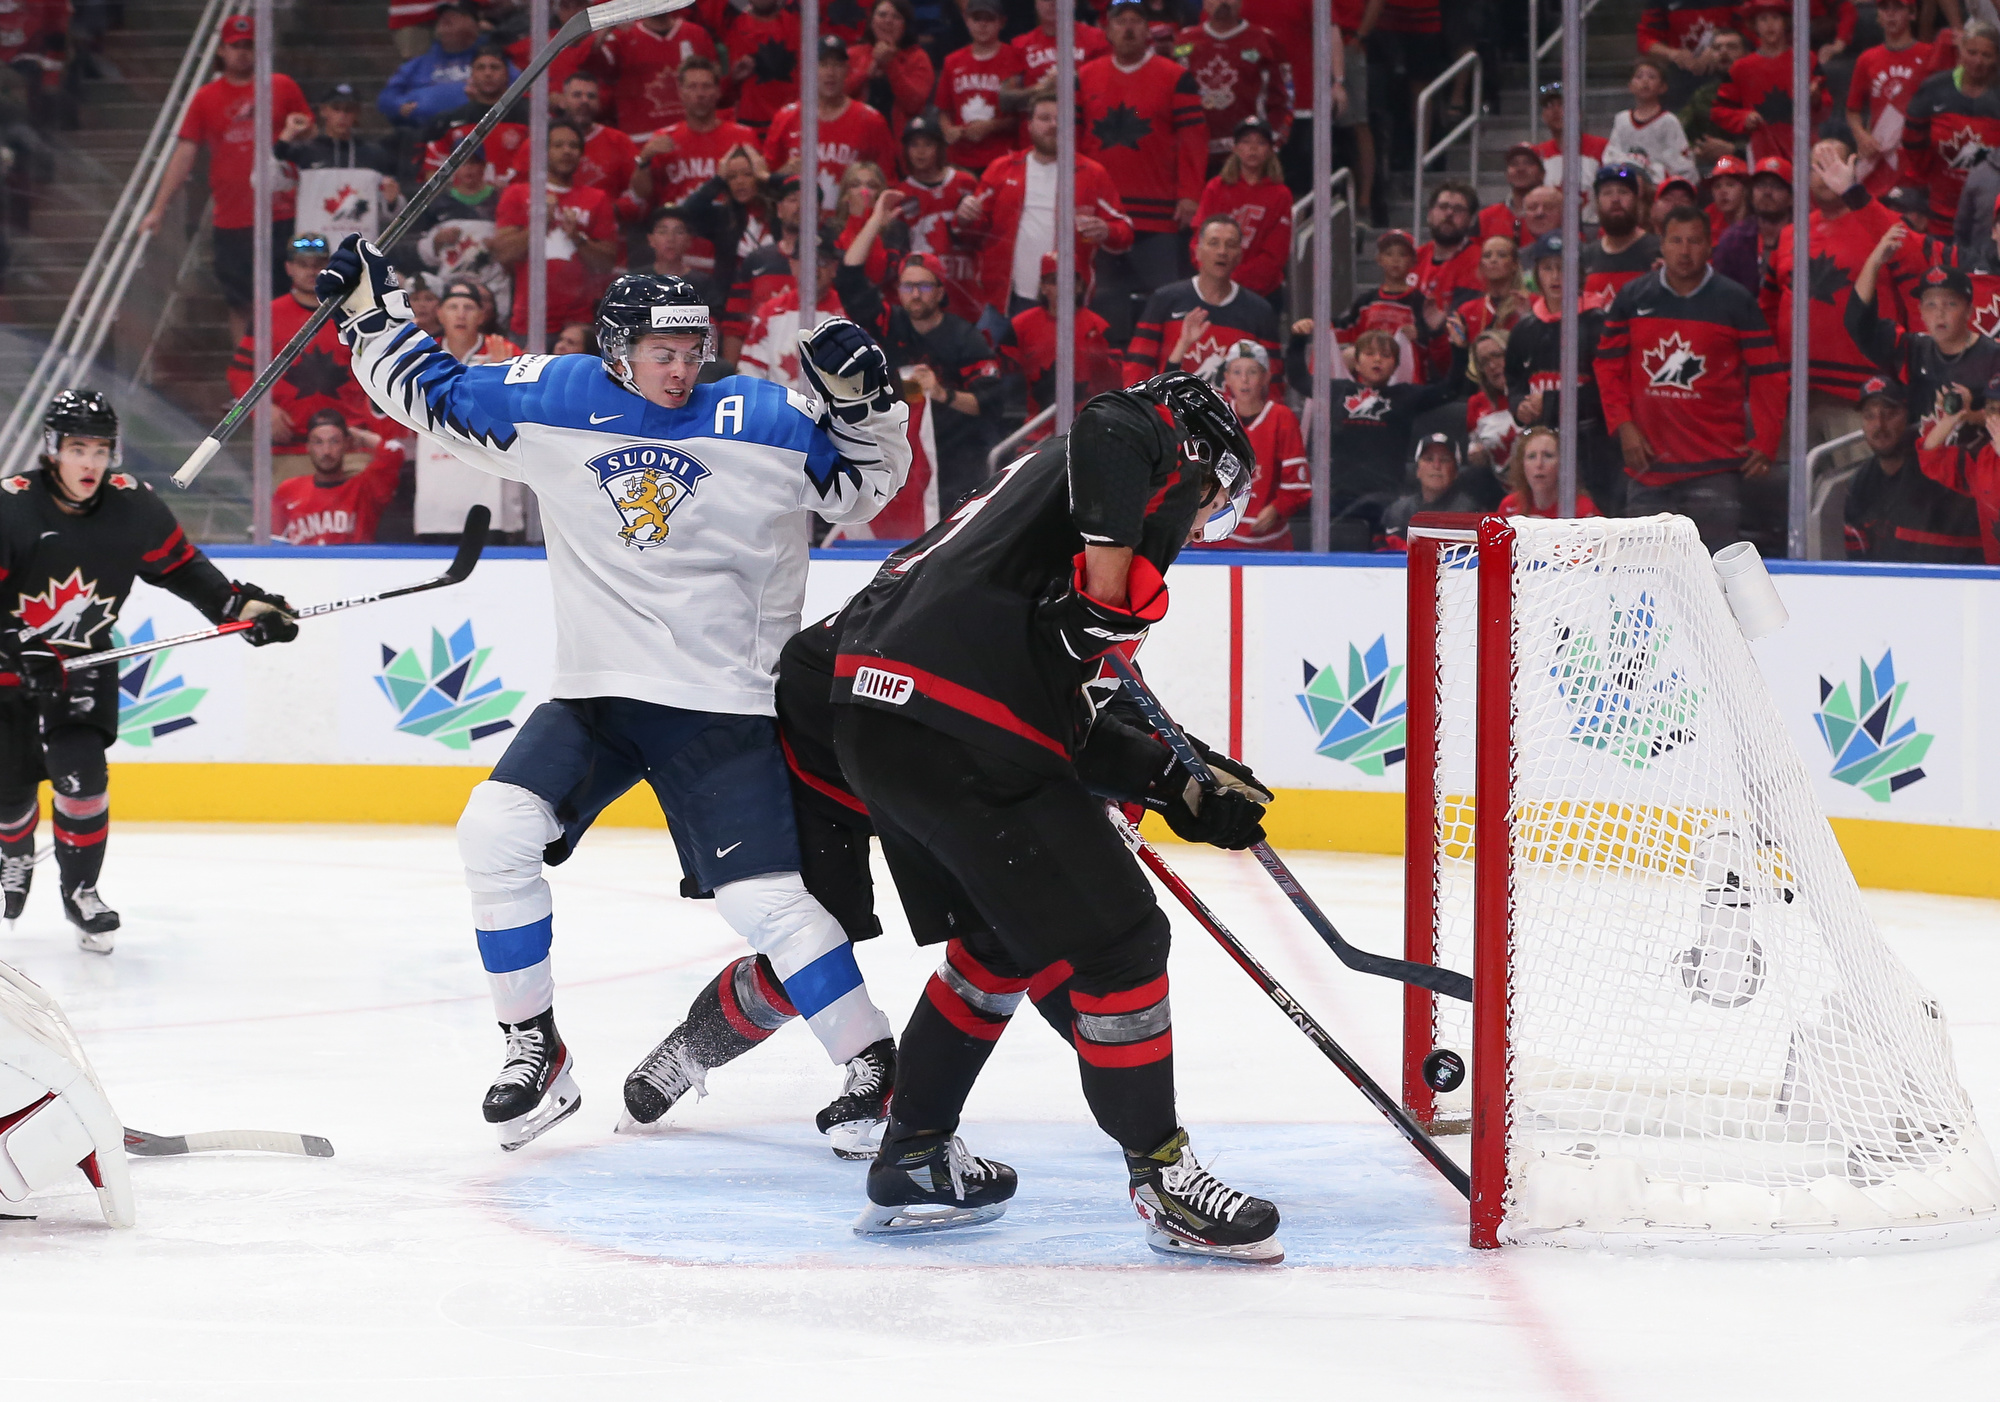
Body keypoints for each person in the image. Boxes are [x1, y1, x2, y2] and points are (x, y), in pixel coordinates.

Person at [315, 238, 915, 1155]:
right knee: (494, 832)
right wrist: (371, 316)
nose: (680, 370)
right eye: (660, 352)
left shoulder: (767, 415)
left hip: (722, 704)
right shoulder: (555, 400)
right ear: (615, 348)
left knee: (765, 906)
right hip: (595, 697)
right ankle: (535, 1051)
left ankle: (873, 1064)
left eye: (692, 350)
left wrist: (866, 406)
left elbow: (867, 485)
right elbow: (431, 393)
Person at [826, 368, 1280, 1261]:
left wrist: (1173, 780)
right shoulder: (1142, 440)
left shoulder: (1028, 510)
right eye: (1212, 505)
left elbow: (1060, 706)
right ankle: (1163, 1174)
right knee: (1120, 941)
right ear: (1207, 457)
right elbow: (1117, 417)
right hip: (952, 725)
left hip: (881, 720)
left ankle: (914, 1152)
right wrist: (1107, 595)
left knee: (1003, 942)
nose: (1199, 525)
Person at [0, 390, 297, 951]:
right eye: (77, 448)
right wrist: (18, 643)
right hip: (7, 670)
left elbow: (184, 570)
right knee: (10, 795)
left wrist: (243, 610)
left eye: (101, 450)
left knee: (83, 781)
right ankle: (14, 848)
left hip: (83, 663)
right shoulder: (11, 507)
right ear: (52, 450)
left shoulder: (132, 506)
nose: (90, 462)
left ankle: (82, 892)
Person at [1596, 204, 1784, 551]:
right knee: (1642, 573)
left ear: (1710, 246)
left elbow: (1768, 373)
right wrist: (1623, 425)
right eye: (1676, 241)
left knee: (1711, 577)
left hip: (1714, 469)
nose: (1685, 251)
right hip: (1647, 467)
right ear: (1662, 246)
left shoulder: (1736, 301)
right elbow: (1607, 366)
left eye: (1694, 241)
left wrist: (1767, 438)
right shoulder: (1632, 298)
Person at [139, 16, 311, 344]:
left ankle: (289, 382)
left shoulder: (282, 86)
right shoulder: (206, 98)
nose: (242, 53)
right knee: (239, 303)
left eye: (248, 46)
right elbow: (185, 152)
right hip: (232, 217)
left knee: (288, 298)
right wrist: (158, 208)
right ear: (221, 50)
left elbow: (311, 131)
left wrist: (299, 130)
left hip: (282, 213)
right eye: (235, 46)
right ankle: (247, 384)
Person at [1763, 144, 1923, 453]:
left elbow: (1917, 282)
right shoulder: (1789, 234)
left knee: (1855, 491)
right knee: (1795, 495)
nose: (1825, 173)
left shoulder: (1881, 225)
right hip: (1797, 396)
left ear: (1854, 167)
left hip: (1866, 398)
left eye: (1832, 162)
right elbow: (1769, 308)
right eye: (1815, 166)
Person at [839, 211, 1003, 507]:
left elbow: (989, 404)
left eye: (925, 286)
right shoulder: (890, 322)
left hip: (953, 455)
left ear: (940, 291)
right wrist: (877, 217)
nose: (915, 294)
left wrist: (941, 393)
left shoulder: (964, 337)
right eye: (907, 286)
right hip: (899, 448)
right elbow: (849, 276)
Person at [1079, 0, 1208, 344]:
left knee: (1165, 299)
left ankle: (1168, 373)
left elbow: (1193, 140)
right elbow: (1074, 143)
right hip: (1103, 215)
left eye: (1137, 20)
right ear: (1107, 30)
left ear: (1149, 29)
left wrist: (1190, 195)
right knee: (1105, 300)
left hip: (1158, 212)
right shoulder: (1085, 76)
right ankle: (1112, 377)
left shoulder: (1175, 77)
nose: (1129, 28)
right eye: (1121, 21)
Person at [957, 94, 1133, 332]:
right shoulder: (1001, 169)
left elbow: (1125, 231)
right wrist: (965, 217)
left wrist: (1107, 230)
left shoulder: (1092, 174)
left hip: (1067, 305)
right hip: (1006, 301)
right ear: (1028, 125)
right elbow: (971, 232)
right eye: (1044, 118)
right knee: (991, 366)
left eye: (1061, 119)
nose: (1053, 125)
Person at [1850, 223, 2000, 446]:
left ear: (1969, 310)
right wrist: (1874, 262)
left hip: (1975, 470)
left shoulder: (1993, 356)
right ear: (1920, 311)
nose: (1939, 313)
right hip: (1922, 469)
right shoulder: (1913, 349)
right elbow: (1858, 323)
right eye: (1930, 304)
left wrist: (1968, 415)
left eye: (1950, 303)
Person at [226, 234, 374, 446]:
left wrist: (370, 428)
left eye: (319, 264)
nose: (312, 271)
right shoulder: (269, 315)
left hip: (350, 443)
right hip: (287, 444)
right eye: (303, 264)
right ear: (289, 268)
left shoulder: (356, 313)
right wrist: (262, 409)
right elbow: (240, 373)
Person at [1321, 327, 1467, 541]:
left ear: (1396, 365)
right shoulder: (1339, 391)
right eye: (1370, 354)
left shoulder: (1404, 396)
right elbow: (1300, 380)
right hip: (1339, 498)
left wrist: (1459, 349)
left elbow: (1450, 389)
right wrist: (1298, 340)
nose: (1377, 360)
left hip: (1386, 499)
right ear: (1356, 361)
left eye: (1386, 355)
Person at [493, 120, 620, 349]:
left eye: (573, 146)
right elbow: (503, 252)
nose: (566, 151)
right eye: (558, 145)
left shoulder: (597, 198)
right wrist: (540, 223)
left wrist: (577, 237)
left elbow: (606, 263)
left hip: (577, 323)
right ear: (544, 151)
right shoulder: (518, 194)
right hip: (529, 320)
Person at [1124, 215, 1281, 386]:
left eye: (1230, 245)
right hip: (1172, 409)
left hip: (1230, 412)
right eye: (1214, 243)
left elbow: (1272, 382)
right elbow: (1137, 368)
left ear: (1239, 255)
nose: (1222, 251)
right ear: (1197, 251)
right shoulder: (1165, 300)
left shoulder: (1259, 311)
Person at [1841, 376, 1984, 561]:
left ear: (1909, 415)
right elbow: (1856, 563)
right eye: (1869, 415)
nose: (1879, 425)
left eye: (1890, 414)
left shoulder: (1940, 468)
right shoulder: (1859, 484)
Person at [765, 35, 901, 211]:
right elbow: (765, 185)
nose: (830, 73)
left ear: (846, 70)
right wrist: (783, 172)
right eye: (823, 64)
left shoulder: (871, 121)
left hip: (851, 226)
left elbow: (887, 184)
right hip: (799, 226)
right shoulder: (785, 118)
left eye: (837, 65)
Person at [1193, 341, 1306, 549]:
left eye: (1252, 372)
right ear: (1226, 378)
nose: (1244, 380)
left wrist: (1276, 508)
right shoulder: (1212, 416)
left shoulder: (1282, 418)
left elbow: (1297, 486)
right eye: (1237, 372)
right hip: (1214, 541)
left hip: (1268, 543)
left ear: (1266, 377)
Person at [997, 252, 1123, 425]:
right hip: (1036, 426)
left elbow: (1116, 383)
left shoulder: (1100, 327)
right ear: (1043, 287)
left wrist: (1099, 360)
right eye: (1055, 280)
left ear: (1079, 286)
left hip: (1088, 424)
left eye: (1070, 280)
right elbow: (1007, 383)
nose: (1064, 286)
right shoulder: (1019, 326)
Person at [1902, 18, 2000, 238]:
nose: (1978, 61)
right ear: (1960, 51)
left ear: (1997, 59)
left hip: (1989, 216)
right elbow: (1912, 145)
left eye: (1987, 55)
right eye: (1972, 52)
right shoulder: (1933, 89)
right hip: (1937, 208)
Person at [627, 57, 762, 216]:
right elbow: (641, 195)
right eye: (692, 87)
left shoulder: (743, 136)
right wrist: (644, 159)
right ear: (680, 93)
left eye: (706, 86)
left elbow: (760, 189)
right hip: (679, 228)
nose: (700, 94)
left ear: (718, 91)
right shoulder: (663, 139)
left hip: (729, 224)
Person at [1176, 0, 1291, 172]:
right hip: (1194, 154)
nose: (1222, 2)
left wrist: (1273, 141)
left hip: (1248, 158)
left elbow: (1285, 98)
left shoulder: (1265, 41)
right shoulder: (1183, 40)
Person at [890, 115, 982, 325]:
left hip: (964, 285)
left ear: (940, 148)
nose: (920, 152)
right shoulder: (900, 195)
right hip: (923, 290)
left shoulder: (965, 182)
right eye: (914, 145)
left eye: (928, 144)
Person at [1188, 118, 1292, 303]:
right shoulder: (1216, 187)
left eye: (1260, 143)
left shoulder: (1280, 194)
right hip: (1213, 289)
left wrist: (1232, 280)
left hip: (1261, 294)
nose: (1253, 149)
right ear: (1235, 148)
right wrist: (1212, 275)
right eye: (1245, 142)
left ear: (1270, 150)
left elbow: (1275, 255)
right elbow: (1199, 238)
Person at [271, 409, 407, 547]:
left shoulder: (365, 488)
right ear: (308, 446)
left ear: (346, 443)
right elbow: (275, 542)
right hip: (304, 567)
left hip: (353, 566)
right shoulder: (288, 489)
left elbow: (395, 452)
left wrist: (361, 436)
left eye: (334, 441)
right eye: (318, 442)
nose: (326, 451)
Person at [1713, 0, 1826, 166]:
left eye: (1775, 18)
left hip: (1802, 146)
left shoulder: (1807, 59)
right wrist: (1743, 118)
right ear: (1755, 25)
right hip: (1761, 148)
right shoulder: (1741, 68)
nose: (1769, 25)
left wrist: (1816, 98)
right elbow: (1719, 110)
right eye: (1763, 19)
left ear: (1785, 22)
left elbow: (1826, 104)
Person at [1847, 0, 1935, 198]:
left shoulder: (1929, 55)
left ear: (1912, 14)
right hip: (1881, 152)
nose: (1891, 14)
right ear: (1878, 16)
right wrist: (1861, 136)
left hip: (1916, 154)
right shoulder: (1867, 59)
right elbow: (1852, 110)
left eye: (1898, 8)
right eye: (1885, 8)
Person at [588, 5, 717, 141]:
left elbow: (714, 85)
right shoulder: (622, 37)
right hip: (641, 138)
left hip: (691, 136)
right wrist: (608, 26)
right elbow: (591, 62)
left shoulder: (696, 34)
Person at [935, 0, 1021, 176]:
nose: (982, 24)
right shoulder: (952, 61)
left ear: (1001, 22)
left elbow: (1020, 116)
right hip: (960, 159)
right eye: (977, 18)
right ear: (967, 21)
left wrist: (990, 126)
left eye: (989, 19)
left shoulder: (1014, 58)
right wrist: (948, 130)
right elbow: (943, 109)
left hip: (1001, 157)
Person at [377, 1, 484, 134]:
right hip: (423, 133)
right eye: (443, 15)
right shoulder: (418, 64)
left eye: (456, 14)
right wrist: (399, 105)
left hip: (477, 131)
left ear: (475, 24)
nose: (446, 18)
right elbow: (386, 97)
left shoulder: (489, 60)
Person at [847, 0, 935, 144]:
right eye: (882, 15)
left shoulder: (918, 58)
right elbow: (835, 94)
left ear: (905, 25)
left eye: (896, 17)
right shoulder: (853, 55)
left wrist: (890, 63)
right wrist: (867, 71)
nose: (888, 21)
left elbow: (914, 104)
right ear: (871, 21)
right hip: (856, 139)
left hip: (901, 144)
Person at [1381, 433, 1493, 542]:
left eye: (1444, 460)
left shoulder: (1471, 513)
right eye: (1429, 459)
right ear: (1417, 470)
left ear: (1456, 472)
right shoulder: (1397, 512)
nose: (1436, 466)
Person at [548, 71, 639, 205]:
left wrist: (610, 211)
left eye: (591, 96)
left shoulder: (619, 141)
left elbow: (637, 194)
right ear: (562, 101)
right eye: (577, 95)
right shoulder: (540, 141)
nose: (585, 101)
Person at [1606, 56, 1696, 187]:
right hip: (1626, 183)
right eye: (1639, 77)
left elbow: (1683, 164)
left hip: (1658, 186)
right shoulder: (1622, 119)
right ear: (1630, 86)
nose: (1645, 81)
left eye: (1652, 77)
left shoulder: (1668, 121)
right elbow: (1611, 155)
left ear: (1663, 87)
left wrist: (1654, 173)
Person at [1580, 164, 1664, 302]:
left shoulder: (1659, 251)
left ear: (1637, 200)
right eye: (1607, 193)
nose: (1615, 199)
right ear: (1597, 202)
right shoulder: (1585, 257)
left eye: (1623, 192)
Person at [1714, 155, 1793, 298]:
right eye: (1761, 185)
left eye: (1776, 186)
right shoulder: (1733, 239)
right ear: (1751, 193)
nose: (1767, 192)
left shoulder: (1806, 238)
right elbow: (1722, 295)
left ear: (1791, 197)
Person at [724, 0, 804, 135]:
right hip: (752, 124)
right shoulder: (735, 27)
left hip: (792, 122)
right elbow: (722, 87)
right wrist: (734, 77)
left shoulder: (797, 25)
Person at [1498, 425, 1600, 519]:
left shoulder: (1582, 508)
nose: (1539, 464)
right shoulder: (1509, 505)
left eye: (1548, 456)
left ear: (1562, 464)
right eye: (1532, 456)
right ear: (1522, 464)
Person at [640, 207, 723, 310]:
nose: (670, 239)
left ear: (689, 240)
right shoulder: (636, 280)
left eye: (679, 232)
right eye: (663, 232)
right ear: (651, 239)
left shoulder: (704, 284)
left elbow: (713, 320)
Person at [1457, 235, 1527, 346]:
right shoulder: (1467, 311)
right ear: (1481, 266)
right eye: (1487, 256)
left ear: (1514, 264)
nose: (1493, 260)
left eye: (1502, 255)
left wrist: (1526, 317)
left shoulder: (1532, 303)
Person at [1481, 144, 1548, 242]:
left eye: (1528, 163)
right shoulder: (1486, 217)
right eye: (1514, 164)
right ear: (1507, 175)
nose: (1520, 169)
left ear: (1542, 174)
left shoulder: (1556, 215)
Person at [1705, 153, 1752, 243]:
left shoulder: (1760, 219)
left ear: (1745, 189)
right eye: (1717, 186)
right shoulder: (1708, 217)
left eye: (1730, 185)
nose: (1723, 191)